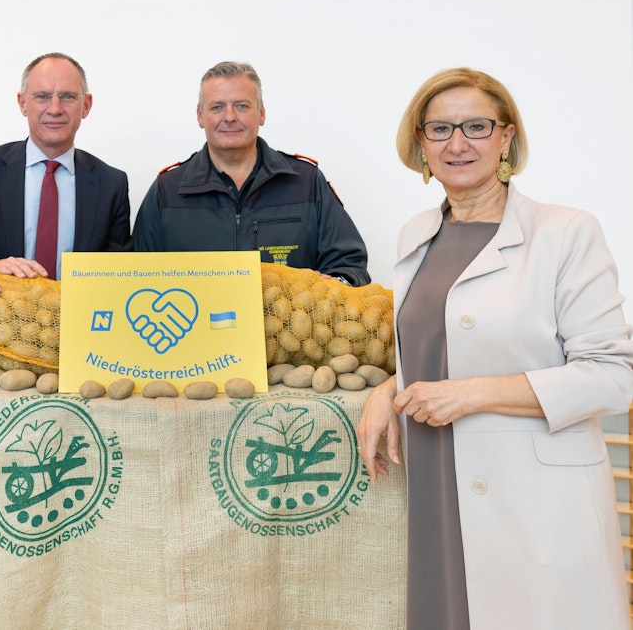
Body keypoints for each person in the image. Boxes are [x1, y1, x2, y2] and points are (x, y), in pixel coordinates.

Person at [356, 67, 632, 629]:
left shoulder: (566, 233)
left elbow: (612, 375)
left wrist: (470, 395)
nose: (457, 143)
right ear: (421, 144)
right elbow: (442, 343)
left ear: (506, 137)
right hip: (437, 480)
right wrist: (390, 387)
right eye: (439, 129)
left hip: (536, 498)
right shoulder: (416, 235)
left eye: (476, 126)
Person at [132, 61, 370, 286]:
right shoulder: (167, 191)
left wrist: (336, 284)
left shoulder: (305, 183)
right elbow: (137, 277)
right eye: (217, 107)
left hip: (289, 318)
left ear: (261, 113)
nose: (229, 117)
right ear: (200, 116)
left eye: (241, 106)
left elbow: (349, 266)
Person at [0, 52, 132, 280]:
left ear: (86, 105)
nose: (55, 109)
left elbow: (118, 276)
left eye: (68, 97)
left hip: (77, 305)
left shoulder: (111, 184)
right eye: (42, 97)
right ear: (22, 103)